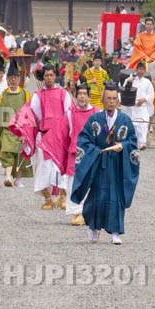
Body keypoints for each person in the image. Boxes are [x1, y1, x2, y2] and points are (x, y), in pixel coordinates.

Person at [71, 82, 140, 245]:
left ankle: (115, 233)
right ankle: (93, 229)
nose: (111, 101)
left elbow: (133, 142)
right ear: (102, 100)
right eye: (108, 98)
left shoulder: (125, 119)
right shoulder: (94, 119)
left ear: (118, 101)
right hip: (98, 164)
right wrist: (95, 151)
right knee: (96, 197)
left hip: (117, 165)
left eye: (114, 98)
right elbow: (84, 140)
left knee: (116, 198)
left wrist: (123, 146)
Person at [40, 81, 99, 226]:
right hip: (75, 154)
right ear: (75, 96)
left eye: (85, 94)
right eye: (80, 94)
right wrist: (48, 143)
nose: (82, 97)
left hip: (92, 153)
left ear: (89, 97)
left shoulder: (97, 113)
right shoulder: (69, 115)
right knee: (74, 184)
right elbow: (60, 133)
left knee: (92, 183)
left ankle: (88, 212)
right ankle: (76, 213)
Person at [30, 65, 72, 210]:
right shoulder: (38, 95)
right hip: (44, 136)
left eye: (51, 75)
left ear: (55, 76)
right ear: (43, 77)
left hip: (60, 137)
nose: (49, 78)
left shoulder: (63, 94)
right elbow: (33, 116)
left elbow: (69, 114)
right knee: (43, 167)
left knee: (61, 167)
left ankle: (62, 197)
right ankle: (48, 198)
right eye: (46, 75)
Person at [0, 59, 32, 187]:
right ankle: (8, 177)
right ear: (7, 79)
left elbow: (30, 114)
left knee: (21, 156)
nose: (13, 80)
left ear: (19, 79)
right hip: (7, 130)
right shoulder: (3, 96)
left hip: (22, 132)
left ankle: (18, 179)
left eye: (15, 77)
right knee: (7, 152)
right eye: (11, 77)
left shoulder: (26, 95)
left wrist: (28, 131)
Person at [120, 60, 155, 150]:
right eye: (139, 69)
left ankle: (143, 142)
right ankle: (133, 142)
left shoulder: (147, 82)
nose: (140, 71)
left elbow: (151, 94)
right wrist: (128, 82)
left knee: (143, 124)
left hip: (142, 106)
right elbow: (124, 89)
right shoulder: (131, 79)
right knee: (133, 125)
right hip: (132, 106)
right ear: (136, 70)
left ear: (144, 71)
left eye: (142, 69)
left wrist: (144, 99)